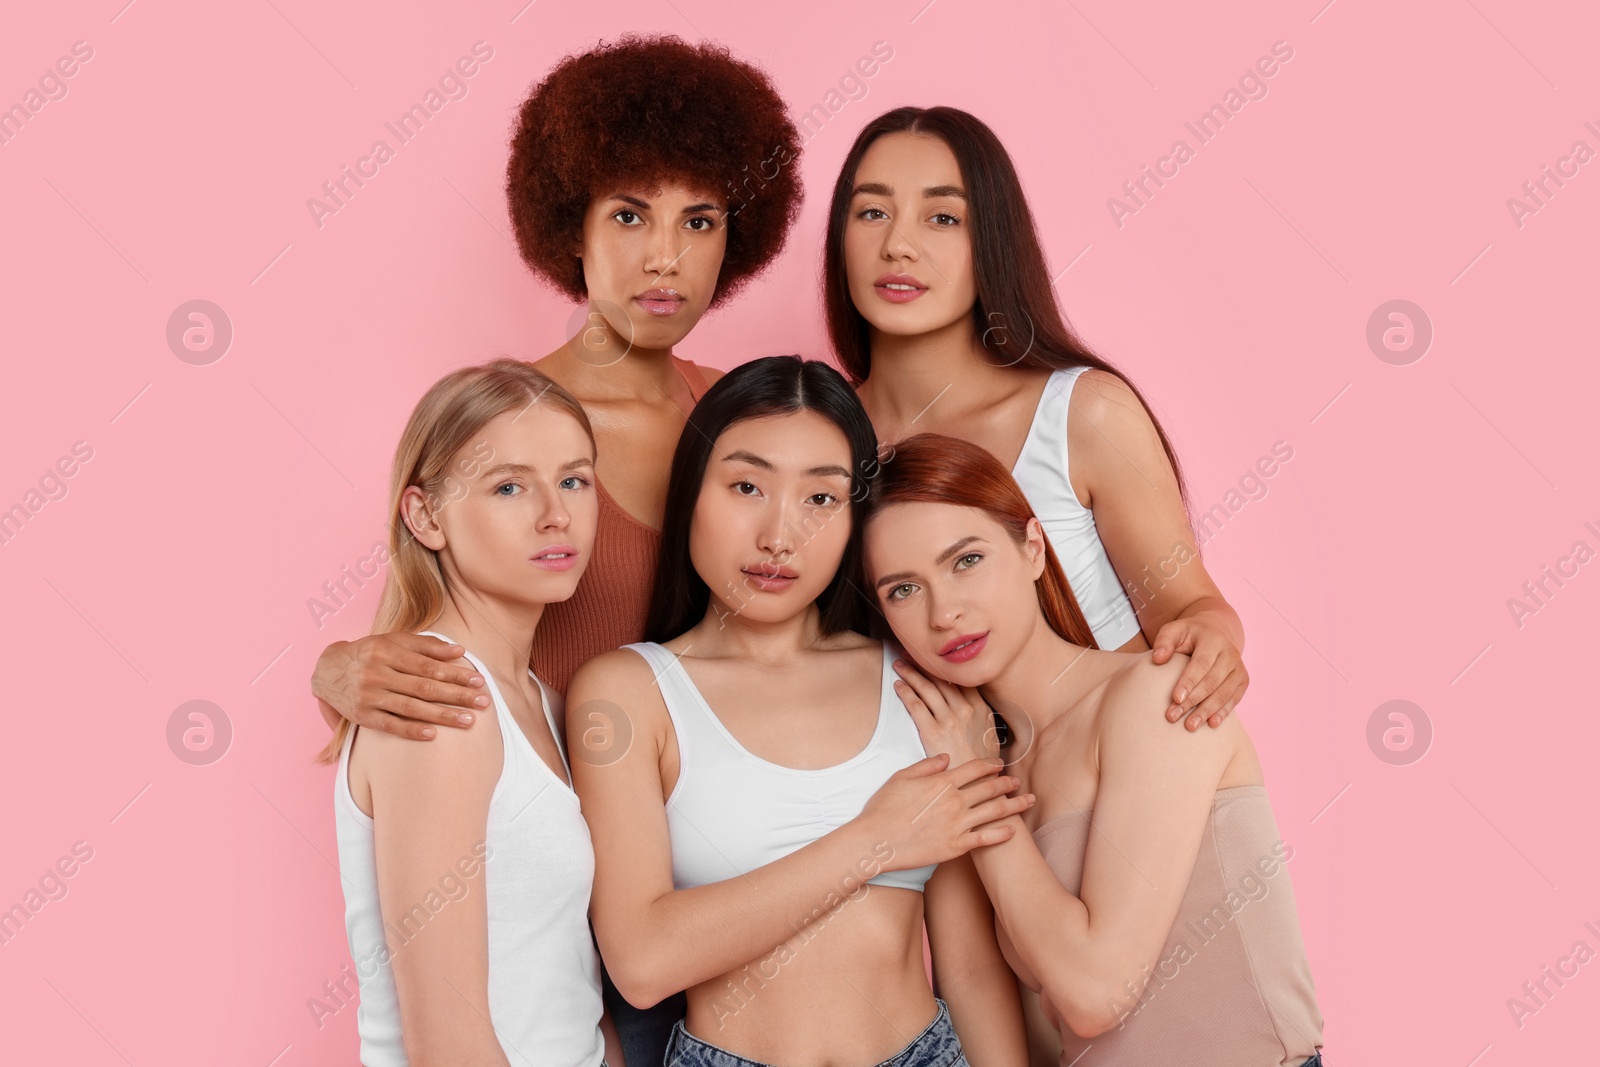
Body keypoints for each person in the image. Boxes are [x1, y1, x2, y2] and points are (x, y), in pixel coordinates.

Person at [309, 34, 804, 1066]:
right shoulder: (518, 425)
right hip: (583, 916)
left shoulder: (748, 424)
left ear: (736, 237)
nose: (663, 257)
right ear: (569, 226)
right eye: (629, 214)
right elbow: (425, 646)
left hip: (737, 893)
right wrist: (341, 666)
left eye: (698, 221)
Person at [567, 356, 1031, 1067]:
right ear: (692, 490)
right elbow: (644, 957)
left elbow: (968, 966)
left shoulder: (913, 674)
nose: (779, 535)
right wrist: (878, 839)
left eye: (821, 498)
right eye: (747, 486)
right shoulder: (627, 692)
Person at [862, 432, 1325, 1066]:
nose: (945, 612)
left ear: (1032, 547)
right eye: (902, 590)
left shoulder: (1156, 694)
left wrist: (975, 777)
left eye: (966, 560)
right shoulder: (976, 762)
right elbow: (981, 989)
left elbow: (1095, 993)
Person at [827, 106, 1250, 731]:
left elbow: (1189, 603)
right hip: (946, 811)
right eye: (871, 211)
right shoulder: (816, 445)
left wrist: (1213, 642)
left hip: (1116, 786)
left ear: (991, 242)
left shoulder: (1084, 413)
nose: (898, 245)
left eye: (943, 217)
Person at [324, 359, 618, 1066]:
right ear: (426, 516)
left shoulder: (541, 701)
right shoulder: (441, 700)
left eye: (574, 479)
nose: (556, 512)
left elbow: (565, 982)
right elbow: (446, 1043)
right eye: (509, 485)